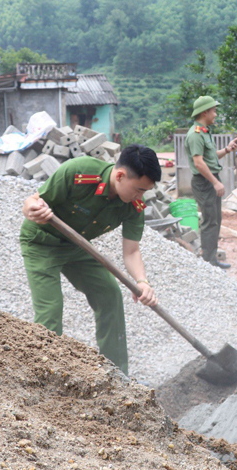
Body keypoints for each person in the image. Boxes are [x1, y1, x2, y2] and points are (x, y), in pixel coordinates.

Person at [20, 145, 162, 376]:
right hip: (42, 242)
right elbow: (33, 201)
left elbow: (132, 251)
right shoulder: (79, 172)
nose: (140, 196)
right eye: (138, 190)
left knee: (110, 294)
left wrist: (142, 281)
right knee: (50, 310)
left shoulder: (134, 207)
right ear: (120, 175)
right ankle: (43, 374)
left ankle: (118, 376)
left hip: (78, 246)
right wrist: (32, 210)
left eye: (145, 191)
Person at [186, 95, 237, 269]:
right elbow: (199, 163)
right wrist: (215, 182)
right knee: (210, 221)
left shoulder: (204, 132)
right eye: (214, 111)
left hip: (209, 180)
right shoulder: (195, 135)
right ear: (205, 112)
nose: (215, 114)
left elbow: (210, 157)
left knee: (215, 219)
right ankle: (208, 262)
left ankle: (211, 258)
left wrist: (227, 149)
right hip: (204, 182)